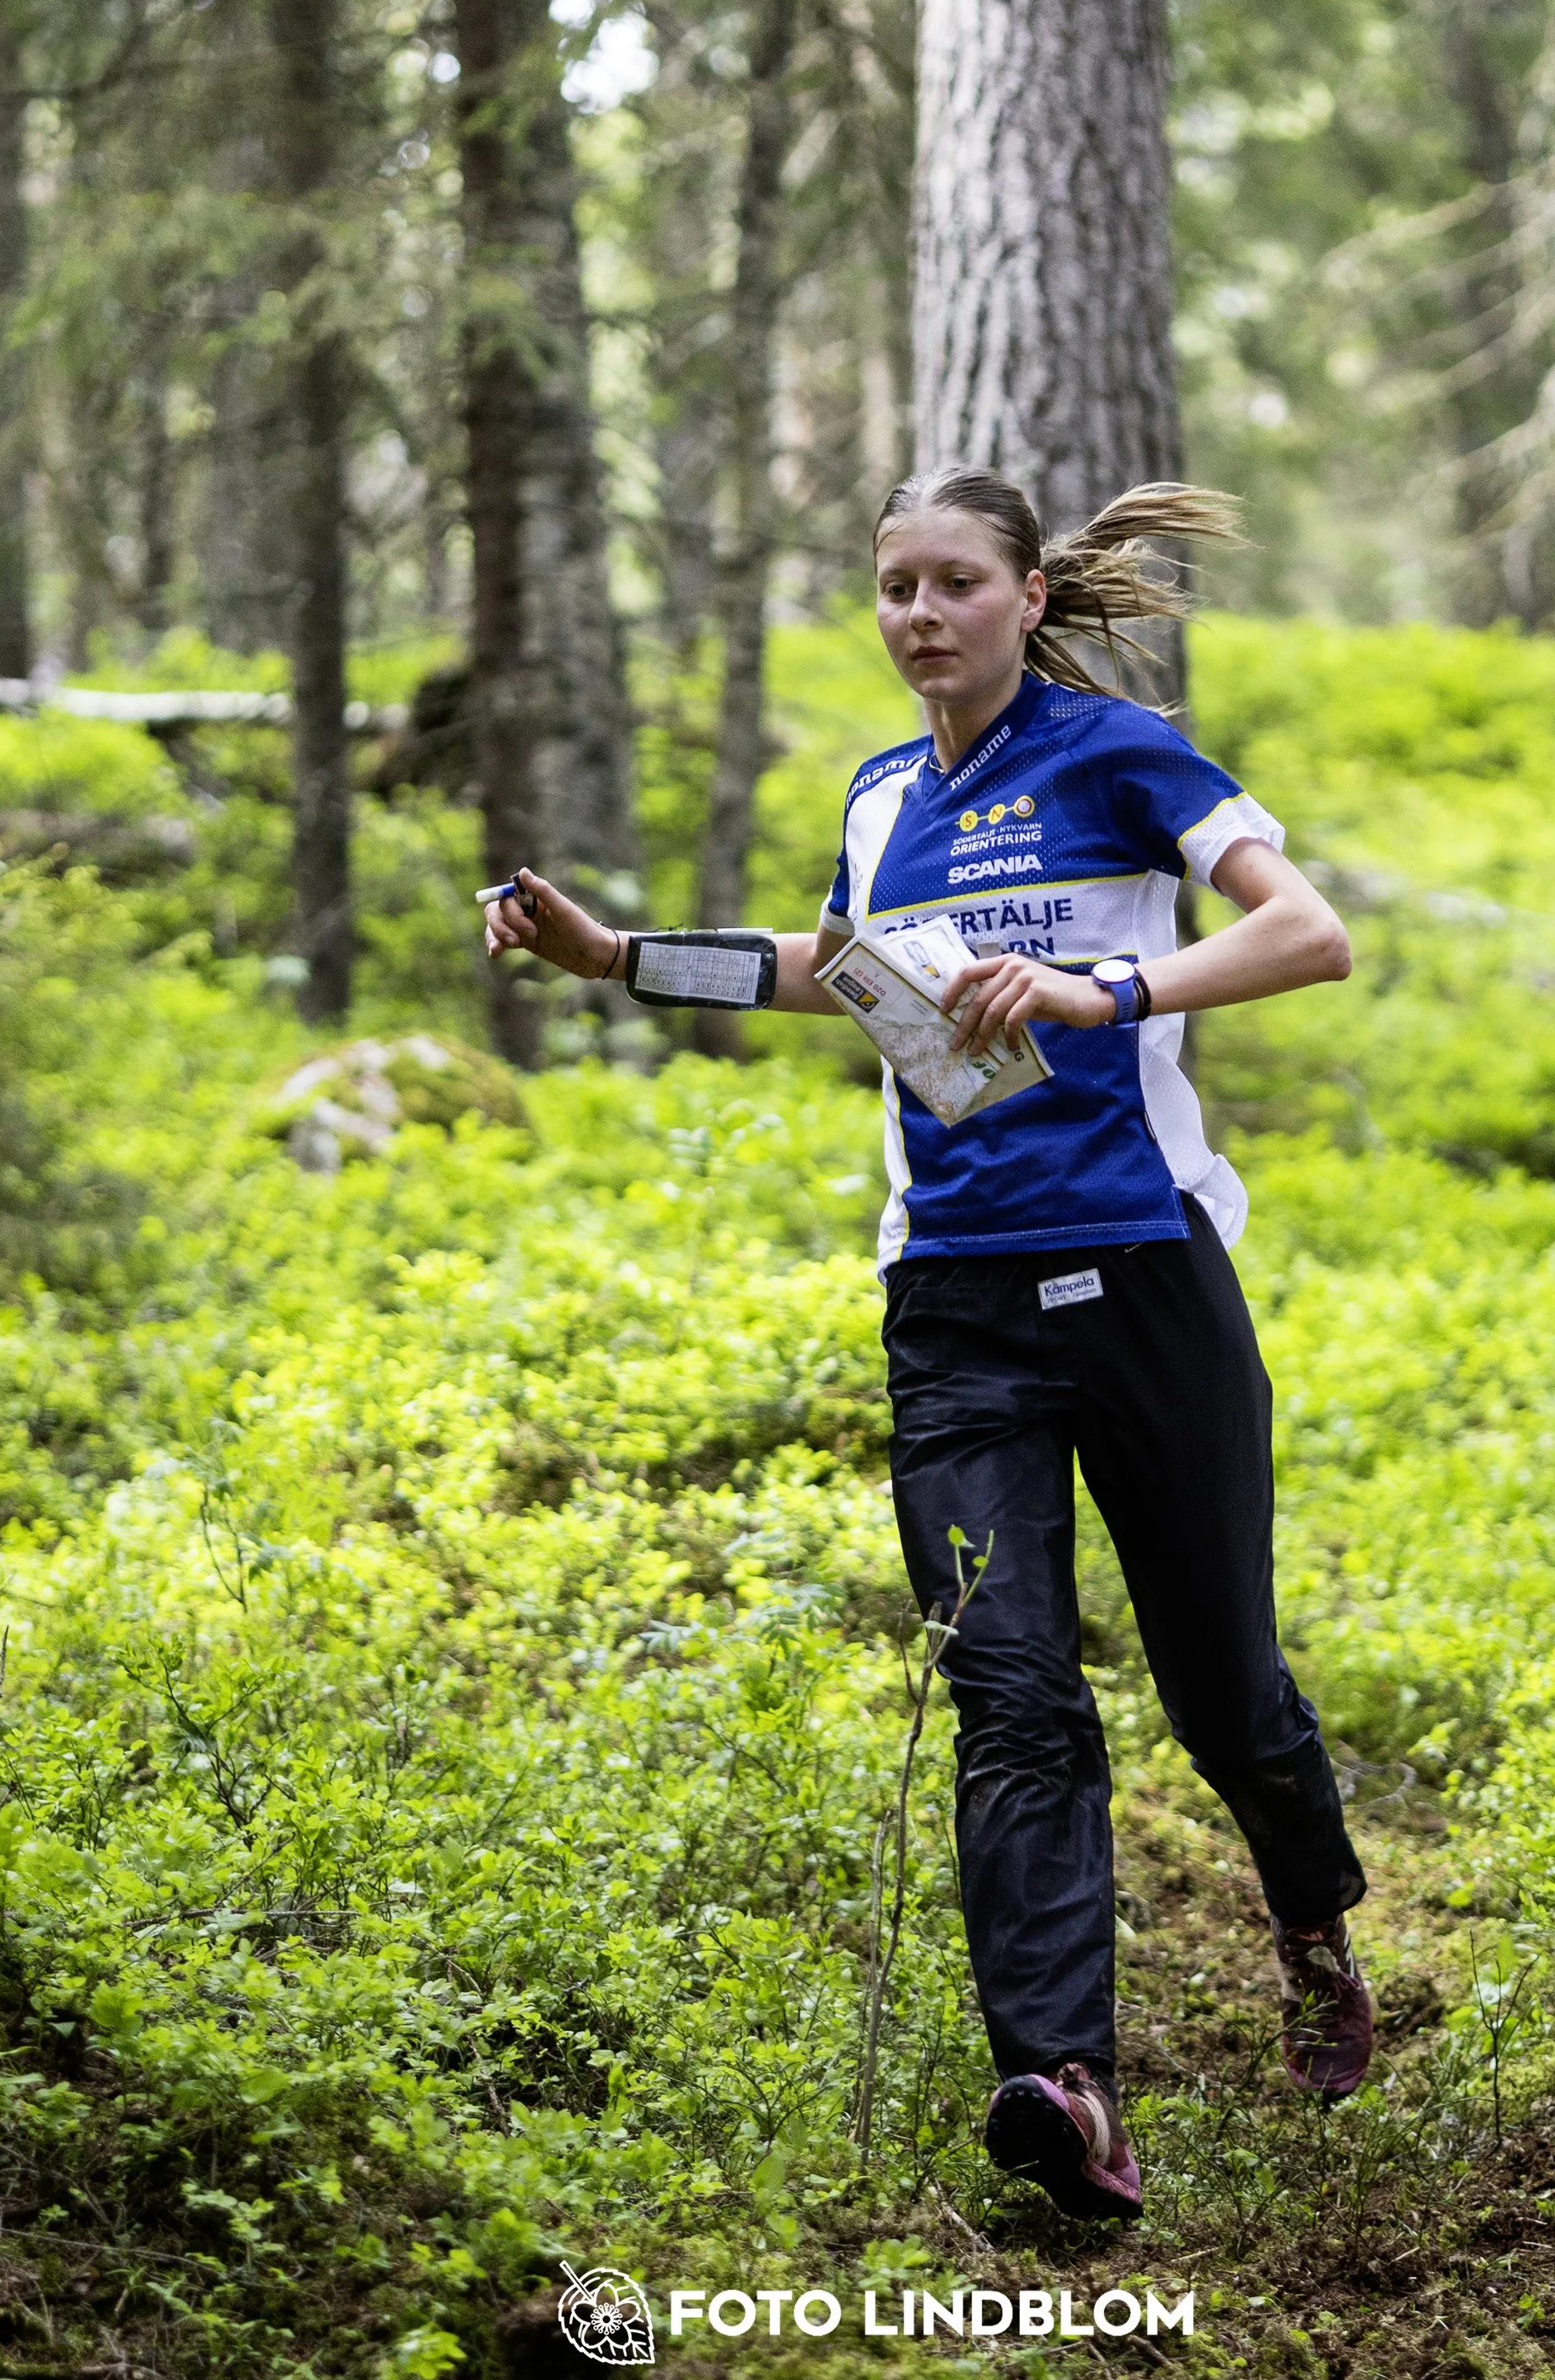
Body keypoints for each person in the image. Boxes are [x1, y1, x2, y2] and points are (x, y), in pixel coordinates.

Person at [485, 467, 1372, 2224]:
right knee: (1008, 1691)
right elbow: (835, 970)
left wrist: (1100, 991)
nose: (918, 614)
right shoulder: (883, 792)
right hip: (951, 1296)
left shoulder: (1118, 755)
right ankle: (1064, 2081)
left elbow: (1306, 932)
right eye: (893, 585)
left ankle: (1312, 1918)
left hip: (1140, 1274)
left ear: (1026, 594)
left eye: (952, 581)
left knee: (1224, 1689)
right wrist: (615, 956)